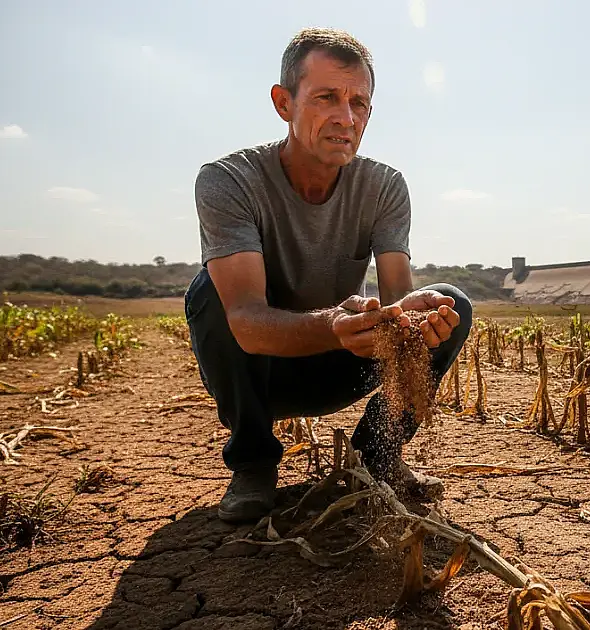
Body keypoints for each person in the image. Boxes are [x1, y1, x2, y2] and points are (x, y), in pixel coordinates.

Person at [185, 27, 472, 524]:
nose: (346, 117)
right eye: (326, 98)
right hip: (261, 372)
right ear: (283, 102)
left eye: (359, 102)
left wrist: (408, 322)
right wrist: (333, 325)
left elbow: (398, 297)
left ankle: (377, 459)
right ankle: (253, 464)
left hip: (342, 360)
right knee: (211, 290)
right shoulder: (229, 181)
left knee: (449, 301)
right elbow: (246, 321)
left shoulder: (383, 186)